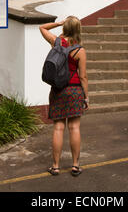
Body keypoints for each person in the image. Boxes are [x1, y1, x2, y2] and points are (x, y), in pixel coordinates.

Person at [39, 16, 89, 177]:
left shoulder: (56, 42)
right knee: (74, 127)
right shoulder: (80, 50)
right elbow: (83, 77)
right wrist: (86, 97)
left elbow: (42, 28)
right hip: (74, 91)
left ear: (65, 28)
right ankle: (75, 165)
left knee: (58, 128)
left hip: (58, 90)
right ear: (78, 30)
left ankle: (55, 166)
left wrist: (59, 23)